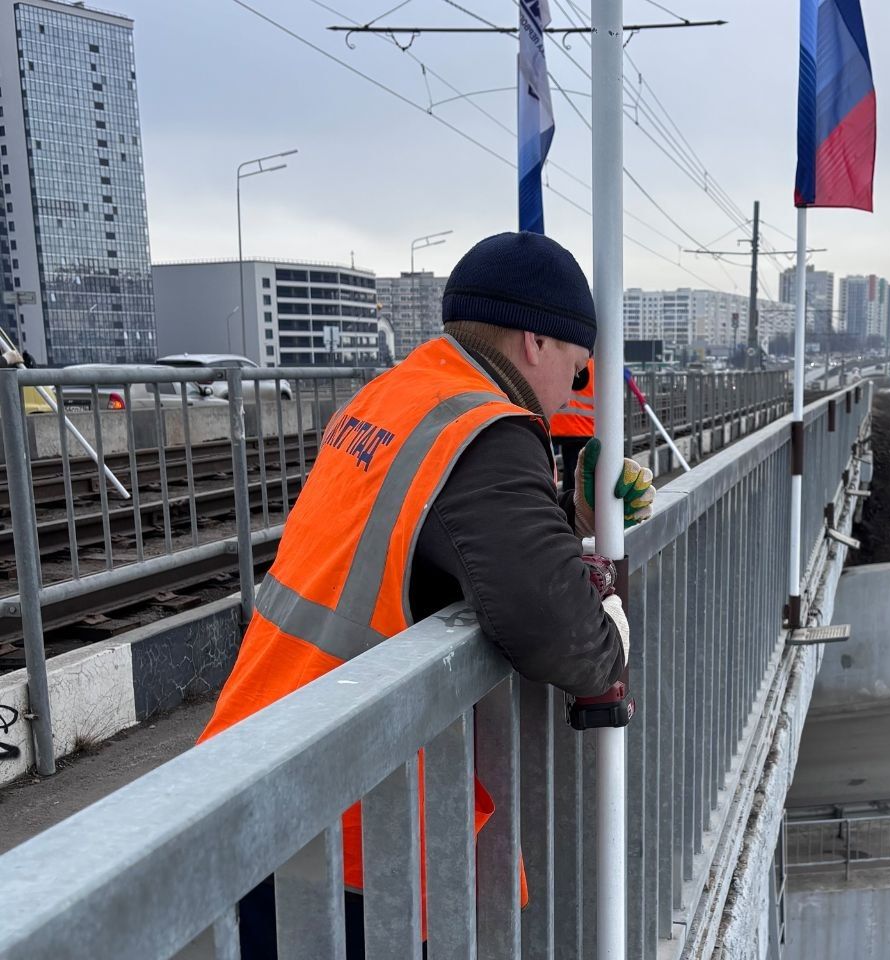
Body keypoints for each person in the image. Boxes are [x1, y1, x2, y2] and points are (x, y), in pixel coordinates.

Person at [197, 232, 656, 959]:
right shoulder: (487, 429)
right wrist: (614, 632)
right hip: (348, 816)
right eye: (575, 375)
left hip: (253, 761)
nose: (569, 400)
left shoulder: (397, 394)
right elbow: (561, 636)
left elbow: (430, 546)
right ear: (534, 342)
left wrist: (565, 517)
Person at [550, 356, 595, 494]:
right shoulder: (595, 367)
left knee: (569, 472)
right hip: (584, 429)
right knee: (578, 476)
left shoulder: (561, 361)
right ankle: (572, 509)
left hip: (561, 426)